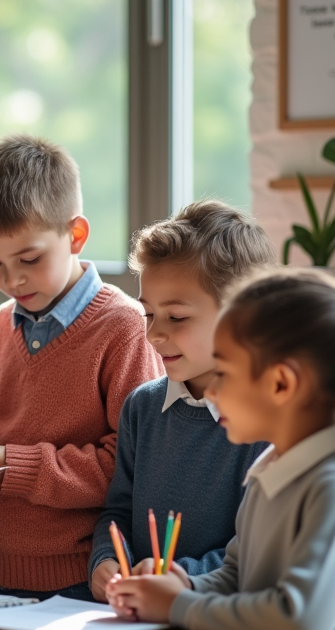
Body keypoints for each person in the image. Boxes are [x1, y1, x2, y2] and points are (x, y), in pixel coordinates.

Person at [107, 269, 335, 630]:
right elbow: (237, 574)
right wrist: (185, 584)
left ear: (282, 384)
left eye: (224, 374)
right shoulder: (271, 470)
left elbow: (298, 621)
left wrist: (179, 606)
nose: (211, 392)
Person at [0, 135, 163, 602]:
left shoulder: (125, 327)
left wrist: (9, 462)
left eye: (29, 259)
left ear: (75, 236)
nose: (12, 280)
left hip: (82, 579)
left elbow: (130, 467)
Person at [88, 201, 273, 600]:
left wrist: (181, 577)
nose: (154, 334)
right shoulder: (142, 409)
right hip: (140, 620)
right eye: (148, 314)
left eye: (176, 317)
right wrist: (106, 558)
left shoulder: (265, 427)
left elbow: (259, 552)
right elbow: (117, 513)